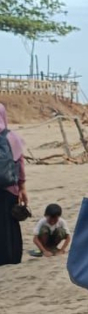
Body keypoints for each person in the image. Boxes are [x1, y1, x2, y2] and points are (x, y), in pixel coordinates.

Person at [0, 103, 27, 266]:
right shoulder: (12, 138)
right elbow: (20, 164)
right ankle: (12, 257)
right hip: (10, 187)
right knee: (10, 223)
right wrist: (22, 187)